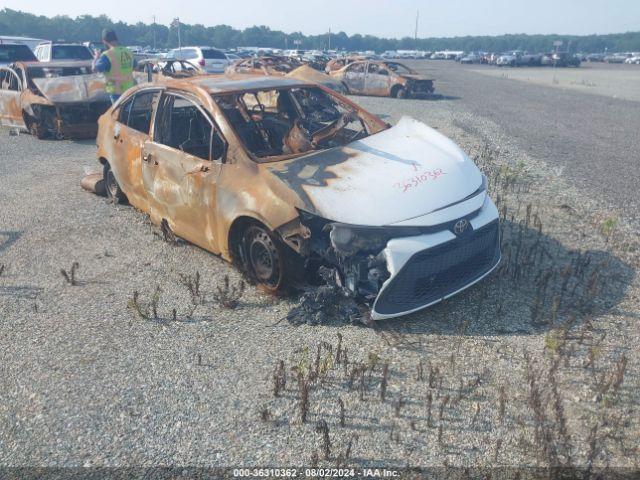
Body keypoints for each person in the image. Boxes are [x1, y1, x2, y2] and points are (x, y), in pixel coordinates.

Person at [93, 29, 135, 104]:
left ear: (104, 41)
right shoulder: (128, 52)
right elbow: (136, 67)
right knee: (127, 113)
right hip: (129, 89)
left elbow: (95, 69)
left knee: (118, 114)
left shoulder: (107, 54)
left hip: (116, 91)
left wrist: (96, 57)